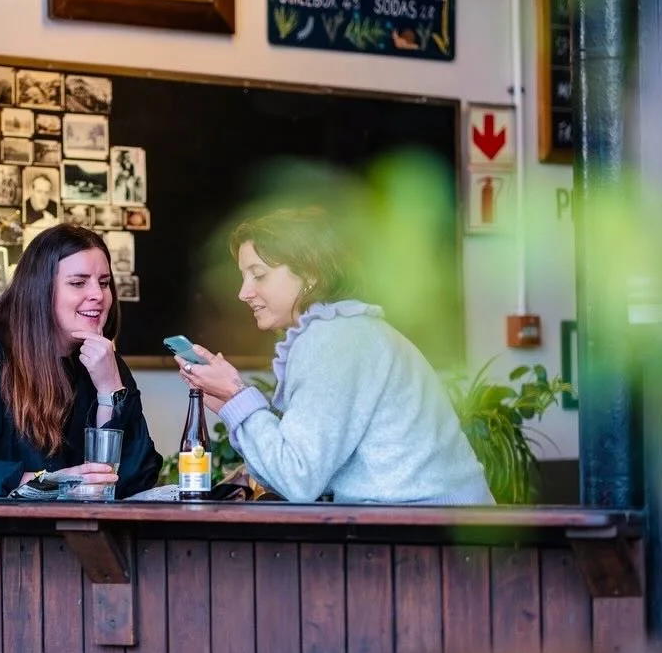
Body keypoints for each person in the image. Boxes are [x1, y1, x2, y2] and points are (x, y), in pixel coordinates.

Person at [174, 206, 493, 506]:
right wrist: (231, 405)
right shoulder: (345, 330)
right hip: (432, 525)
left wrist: (237, 396)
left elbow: (297, 480)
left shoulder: (334, 340)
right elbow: (294, 475)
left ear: (309, 274)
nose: (243, 293)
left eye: (258, 275)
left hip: (425, 532)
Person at [0, 224, 163, 498]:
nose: (98, 295)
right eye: (78, 283)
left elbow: (137, 477)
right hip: (4, 526)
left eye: (103, 282)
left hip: (84, 525)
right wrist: (43, 482)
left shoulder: (105, 363)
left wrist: (109, 392)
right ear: (40, 290)